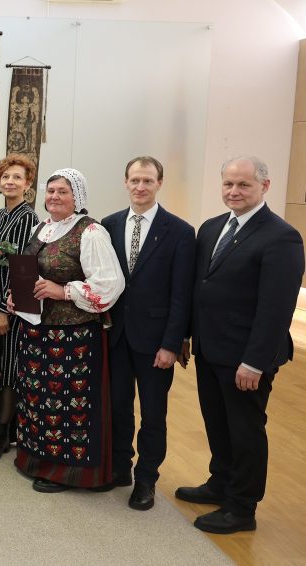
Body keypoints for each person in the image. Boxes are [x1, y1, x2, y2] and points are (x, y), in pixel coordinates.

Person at [177, 156, 304, 534]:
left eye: (244, 185)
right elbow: (199, 288)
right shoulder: (211, 228)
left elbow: (276, 309)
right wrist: (186, 335)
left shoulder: (282, 237)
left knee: (245, 431)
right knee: (217, 423)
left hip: (246, 358)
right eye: (228, 184)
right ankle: (221, 482)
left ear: (265, 186)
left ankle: (242, 507)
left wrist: (254, 362)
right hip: (210, 349)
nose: (234, 191)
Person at [8, 168, 125, 492]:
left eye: (63, 191)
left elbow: (109, 285)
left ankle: (65, 471)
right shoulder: (42, 228)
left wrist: (63, 291)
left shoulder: (90, 232)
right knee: (39, 400)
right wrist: (17, 296)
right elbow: (31, 275)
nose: (55, 197)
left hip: (74, 336)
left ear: (78, 197)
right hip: (37, 331)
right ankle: (37, 460)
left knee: (67, 405)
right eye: (51, 191)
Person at [101, 156, 194, 510]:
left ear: (159, 183)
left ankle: (146, 480)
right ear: (125, 182)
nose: (140, 187)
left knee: (153, 415)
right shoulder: (108, 225)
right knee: (118, 407)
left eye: (148, 181)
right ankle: (120, 467)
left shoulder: (180, 231)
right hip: (116, 336)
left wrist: (172, 343)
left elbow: (182, 294)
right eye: (135, 180)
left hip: (156, 342)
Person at [0, 154, 41, 462]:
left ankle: (2, 431)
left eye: (17, 177)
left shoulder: (28, 218)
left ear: (28, 184)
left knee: (10, 369)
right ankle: (11, 427)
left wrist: (4, 309)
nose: (10, 182)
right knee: (3, 363)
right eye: (6, 177)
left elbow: (21, 268)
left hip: (13, 304)